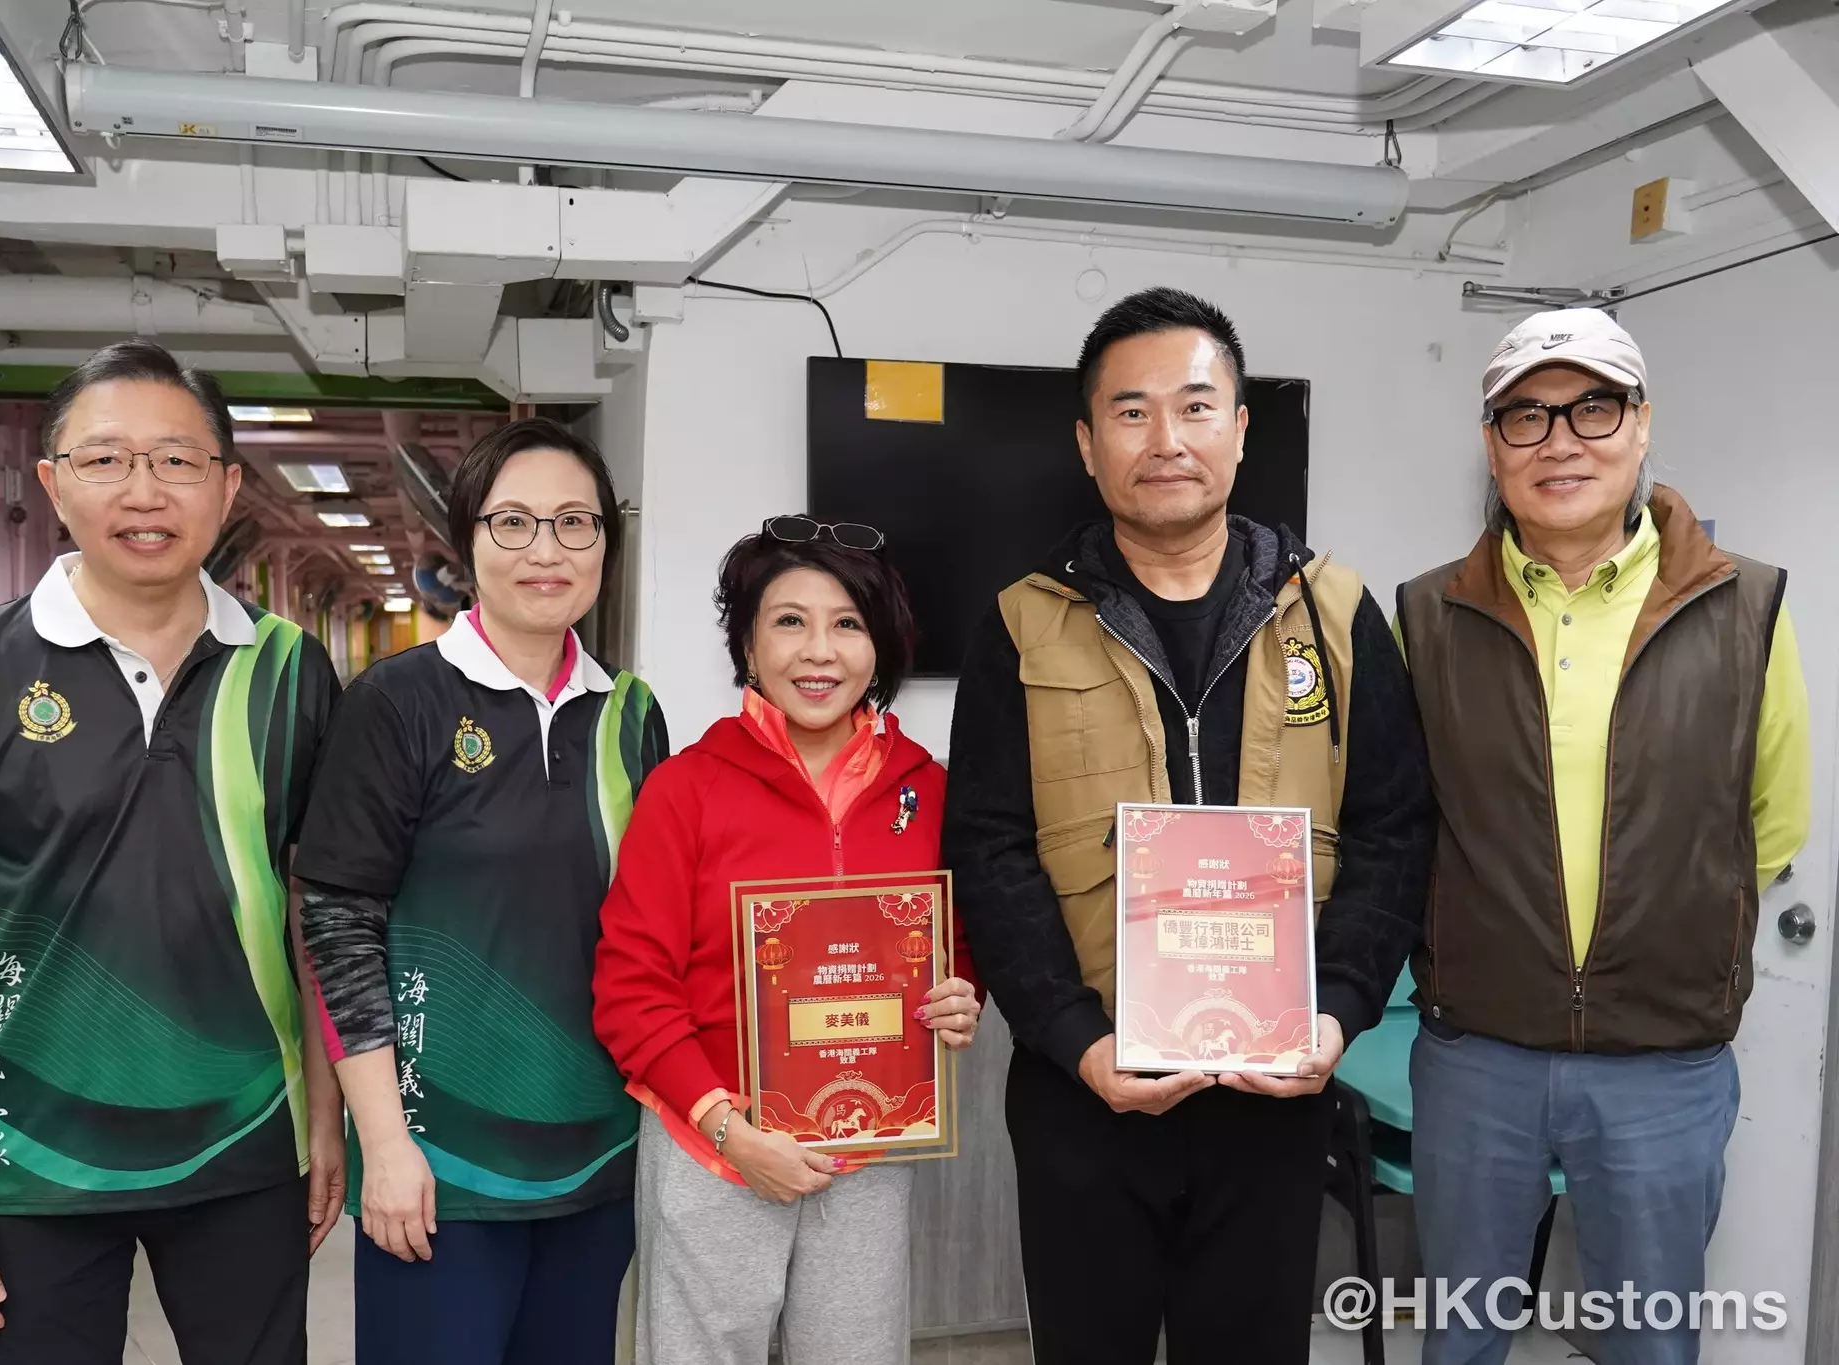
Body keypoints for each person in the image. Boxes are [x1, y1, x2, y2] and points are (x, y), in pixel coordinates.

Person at [942, 286, 1436, 1365]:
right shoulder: (1021, 623)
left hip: (1273, 1095)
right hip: (1085, 1091)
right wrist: (1074, 1038)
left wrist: (1339, 1012)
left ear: (1240, 429)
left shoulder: (1335, 615)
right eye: (1130, 411)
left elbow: (1393, 830)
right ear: (1086, 443)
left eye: (1195, 406)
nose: (1164, 438)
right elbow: (987, 847)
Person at [0, 341, 344, 1365]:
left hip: (244, 1138)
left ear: (227, 486)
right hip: (27, 1150)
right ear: (52, 483)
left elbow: (315, 910)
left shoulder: (289, 670)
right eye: (106, 459)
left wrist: (327, 1116)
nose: (144, 491)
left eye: (177, 460)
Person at [1398, 309, 1812, 1365]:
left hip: (1663, 1062)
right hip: (1477, 1053)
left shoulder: (1744, 607)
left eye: (1592, 408)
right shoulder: (1426, 616)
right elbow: (1403, 820)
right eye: (1525, 417)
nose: (1560, 442)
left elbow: (1769, 821)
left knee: (1649, 1344)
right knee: (1459, 1341)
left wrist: (1669, 923)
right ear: (1491, 446)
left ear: (1640, 425)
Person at [293, 418, 665, 1365]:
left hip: (598, 1154)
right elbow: (337, 926)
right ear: (466, 542)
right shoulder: (397, 701)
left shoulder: (631, 714)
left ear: (606, 544)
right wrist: (385, 1143)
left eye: (575, 522)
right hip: (439, 1164)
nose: (547, 549)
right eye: (513, 522)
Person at [592, 518, 983, 1365]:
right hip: (712, 1143)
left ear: (881, 644)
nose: (819, 651)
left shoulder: (928, 791)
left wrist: (961, 995)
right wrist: (726, 1128)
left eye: (848, 623)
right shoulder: (685, 790)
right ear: (748, 641)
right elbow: (631, 988)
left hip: (867, 1151)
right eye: (789, 621)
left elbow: (954, 943)